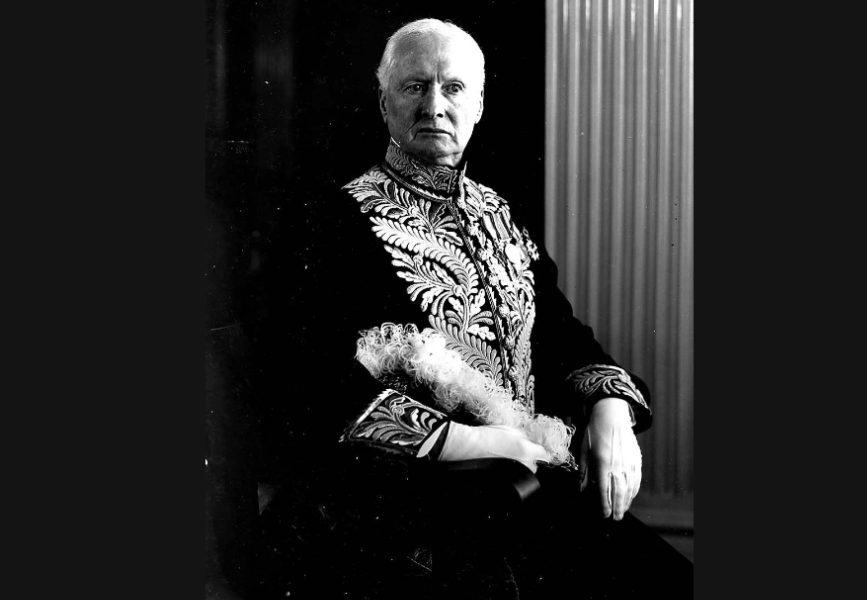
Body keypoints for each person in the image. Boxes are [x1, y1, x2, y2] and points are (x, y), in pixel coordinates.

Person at [252, 18, 691, 600]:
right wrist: (469, 441)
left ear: (479, 105)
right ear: (384, 103)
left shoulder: (499, 214)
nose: (434, 105)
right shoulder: (332, 221)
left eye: (453, 88)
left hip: (525, 493)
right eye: (414, 86)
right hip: (413, 509)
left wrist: (610, 404)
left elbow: (561, 336)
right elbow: (307, 383)